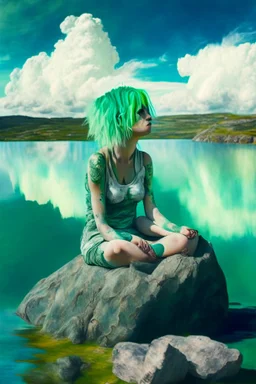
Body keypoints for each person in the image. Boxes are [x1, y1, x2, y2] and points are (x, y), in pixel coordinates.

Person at [80, 86, 199, 269]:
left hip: (134, 229)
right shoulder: (99, 162)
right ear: (120, 120)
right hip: (103, 238)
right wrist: (132, 239)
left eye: (147, 111)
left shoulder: (144, 160)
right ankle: (157, 251)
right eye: (140, 112)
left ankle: (149, 253)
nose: (149, 116)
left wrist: (177, 228)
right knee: (118, 249)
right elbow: (102, 224)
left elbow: (151, 210)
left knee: (188, 237)